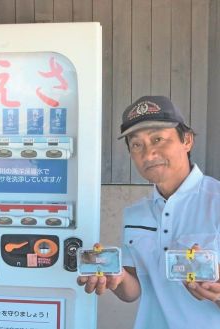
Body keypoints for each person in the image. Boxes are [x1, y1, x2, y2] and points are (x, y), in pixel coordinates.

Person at [77, 96, 220, 328]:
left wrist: (217, 293)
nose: (148, 153)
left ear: (187, 141)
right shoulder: (135, 214)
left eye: (158, 139)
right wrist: (117, 277)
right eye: (137, 144)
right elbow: (133, 291)